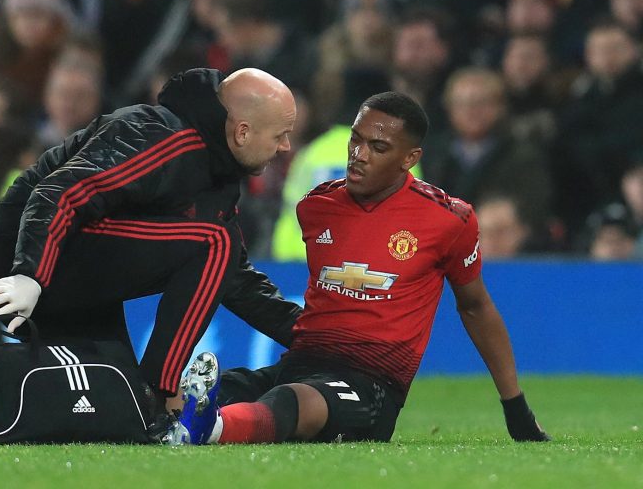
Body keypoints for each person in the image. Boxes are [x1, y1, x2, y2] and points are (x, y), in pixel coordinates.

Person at [167, 91, 550, 445]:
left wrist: (514, 406)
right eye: (356, 139)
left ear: (409, 158)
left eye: (378, 147)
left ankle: (210, 429)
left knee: (293, 401)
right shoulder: (317, 207)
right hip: (300, 363)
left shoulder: (448, 220)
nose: (359, 154)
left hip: (371, 387)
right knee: (222, 388)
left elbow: (475, 306)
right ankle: (166, 424)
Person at [0, 67, 301, 420]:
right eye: (281, 135)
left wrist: (316, 337)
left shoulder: (218, 173)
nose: (285, 147)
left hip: (65, 261)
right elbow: (57, 192)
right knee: (215, 239)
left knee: (108, 400)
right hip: (26, 257)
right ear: (243, 132)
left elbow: (234, 277)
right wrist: (30, 274)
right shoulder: (158, 134)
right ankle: (158, 393)